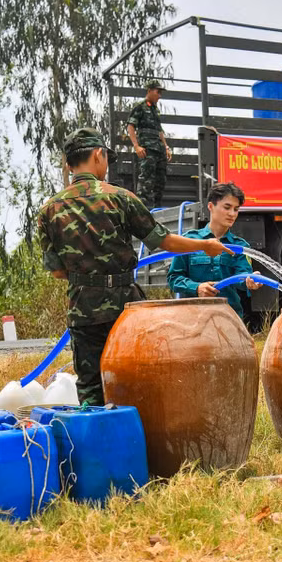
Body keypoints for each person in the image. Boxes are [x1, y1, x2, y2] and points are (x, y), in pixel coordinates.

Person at [38, 127, 231, 405]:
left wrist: (87, 277)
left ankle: (97, 442)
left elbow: (57, 271)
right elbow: (163, 241)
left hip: (83, 309)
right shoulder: (120, 197)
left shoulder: (49, 210)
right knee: (139, 375)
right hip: (126, 308)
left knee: (91, 386)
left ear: (69, 164)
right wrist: (205, 244)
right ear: (97, 155)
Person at [167, 183, 262, 320]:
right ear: (211, 206)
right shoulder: (189, 241)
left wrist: (250, 280)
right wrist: (197, 288)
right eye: (227, 207)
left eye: (236, 209)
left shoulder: (239, 246)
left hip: (228, 319)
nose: (232, 214)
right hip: (192, 319)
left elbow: (242, 275)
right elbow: (174, 278)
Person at [126, 79, 172, 208]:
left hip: (159, 149)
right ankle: (142, 210)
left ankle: (157, 209)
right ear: (150, 91)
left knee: (160, 181)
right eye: (158, 92)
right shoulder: (140, 106)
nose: (159, 95)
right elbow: (130, 126)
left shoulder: (155, 110)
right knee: (146, 181)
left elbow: (159, 130)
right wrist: (136, 146)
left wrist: (166, 147)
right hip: (147, 149)